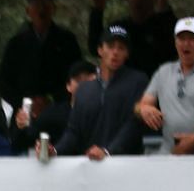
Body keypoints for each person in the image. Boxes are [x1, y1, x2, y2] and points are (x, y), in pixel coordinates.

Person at [58, 26, 148, 159]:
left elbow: (134, 124)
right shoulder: (84, 89)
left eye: (121, 48)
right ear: (100, 50)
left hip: (127, 166)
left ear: (127, 54)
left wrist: (107, 152)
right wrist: (55, 150)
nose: (115, 52)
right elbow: (73, 131)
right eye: (111, 46)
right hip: (91, 166)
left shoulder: (138, 81)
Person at [0, 0, 86, 114]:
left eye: (45, 5)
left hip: (60, 110)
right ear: (28, 11)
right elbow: (3, 82)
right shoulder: (16, 44)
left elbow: (79, 75)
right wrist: (25, 103)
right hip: (24, 112)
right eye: (36, 5)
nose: (41, 10)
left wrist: (52, 99)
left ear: (53, 9)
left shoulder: (67, 40)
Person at [136, 19, 194, 156]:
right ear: (175, 42)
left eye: (192, 38)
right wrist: (144, 108)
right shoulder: (164, 71)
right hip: (170, 152)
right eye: (181, 38)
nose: (186, 43)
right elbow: (141, 104)